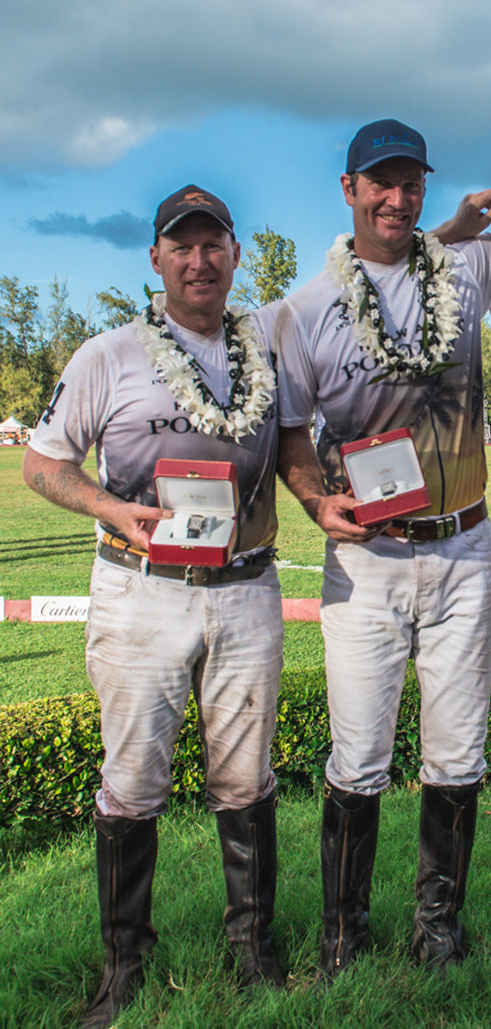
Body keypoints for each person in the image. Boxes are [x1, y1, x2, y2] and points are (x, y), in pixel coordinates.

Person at [273, 91, 491, 975]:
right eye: (380, 183)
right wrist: (314, 502)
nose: (396, 199)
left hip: (464, 547)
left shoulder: (463, 270)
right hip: (368, 559)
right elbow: (292, 434)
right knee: (360, 750)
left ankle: (438, 925)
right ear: (348, 188)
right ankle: (344, 931)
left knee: (458, 747)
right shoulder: (304, 311)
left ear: (425, 189)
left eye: (410, 183)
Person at [23, 186, 286, 1027]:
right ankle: (123, 966)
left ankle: (253, 951)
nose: (199, 261)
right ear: (156, 260)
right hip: (141, 592)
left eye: (213, 246)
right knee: (132, 781)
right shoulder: (109, 355)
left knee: (246, 779)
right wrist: (109, 507)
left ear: (235, 255)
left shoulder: (265, 350)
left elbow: (297, 447)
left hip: (246, 586)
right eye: (183, 247)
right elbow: (43, 463)